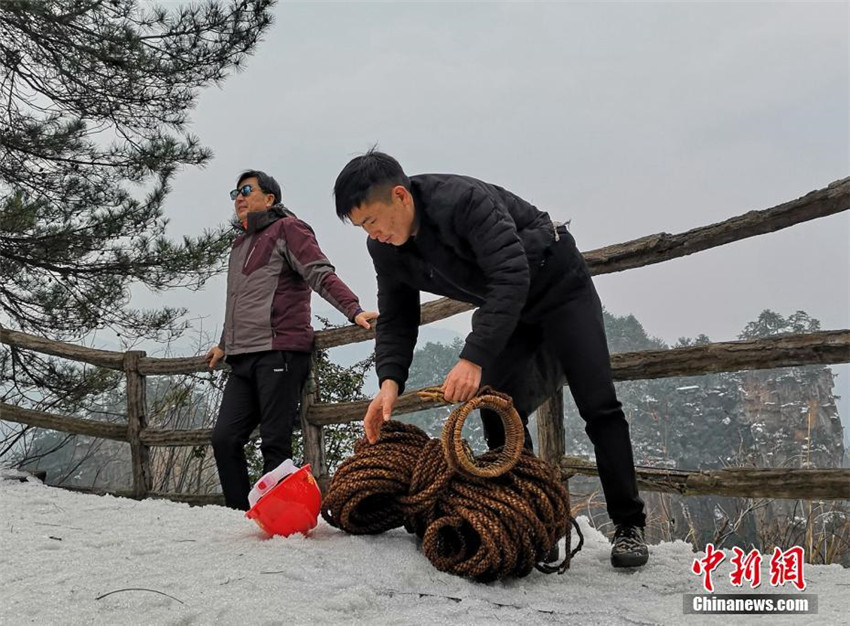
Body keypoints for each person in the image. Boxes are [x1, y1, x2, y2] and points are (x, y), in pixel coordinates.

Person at [333, 150, 648, 568]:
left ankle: (629, 525)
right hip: (508, 309)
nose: (371, 234)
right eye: (362, 228)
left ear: (400, 197)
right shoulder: (386, 249)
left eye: (372, 221)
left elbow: (510, 274)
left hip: (558, 288)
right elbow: (397, 316)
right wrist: (389, 382)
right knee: (498, 408)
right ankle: (533, 519)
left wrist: (473, 357)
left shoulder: (461, 201)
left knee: (599, 406)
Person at [206, 170, 377, 511]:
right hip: (242, 357)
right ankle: (242, 514)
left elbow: (318, 271)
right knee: (224, 438)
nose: (238, 198)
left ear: (269, 198)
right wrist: (224, 343)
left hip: (279, 351)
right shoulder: (239, 245)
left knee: (275, 443)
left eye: (246, 190)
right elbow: (237, 300)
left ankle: (283, 520)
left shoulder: (289, 229)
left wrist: (352, 308)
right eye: (235, 193)